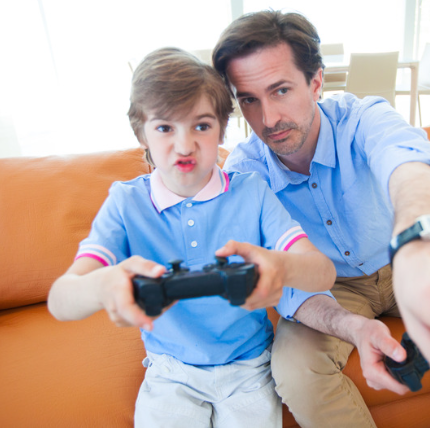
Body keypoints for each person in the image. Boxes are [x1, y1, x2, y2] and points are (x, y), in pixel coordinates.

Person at [212, 10, 430, 428]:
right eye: (249, 100)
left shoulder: (363, 119)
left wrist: (420, 238)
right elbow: (284, 285)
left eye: (280, 91)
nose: (268, 119)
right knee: (296, 373)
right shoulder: (245, 174)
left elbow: (410, 166)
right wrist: (351, 327)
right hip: (329, 288)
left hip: (406, 259)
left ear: (315, 83)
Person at [47, 47, 338, 428]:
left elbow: (322, 272)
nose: (184, 146)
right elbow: (60, 300)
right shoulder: (125, 203)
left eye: (201, 126)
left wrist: (282, 267)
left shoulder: (252, 192)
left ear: (222, 127)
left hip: (249, 368)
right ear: (142, 133)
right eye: (165, 127)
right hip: (171, 373)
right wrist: (102, 285)